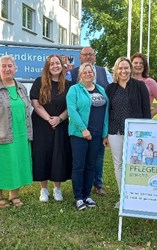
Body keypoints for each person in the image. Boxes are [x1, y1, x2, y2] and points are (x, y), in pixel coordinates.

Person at [0, 55, 33, 208]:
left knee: (16, 163)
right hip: (0, 134)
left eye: (10, 66)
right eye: (4, 66)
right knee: (0, 164)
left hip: (21, 133)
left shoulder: (21, 87)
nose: (7, 69)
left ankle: (14, 194)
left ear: (15, 68)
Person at [66, 46, 112, 196]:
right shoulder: (72, 81)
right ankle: (79, 196)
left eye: (91, 54)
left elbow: (107, 107)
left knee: (94, 162)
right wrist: (83, 128)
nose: (88, 57)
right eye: (84, 55)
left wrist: (105, 133)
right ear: (80, 58)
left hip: (98, 131)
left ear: (95, 57)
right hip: (80, 131)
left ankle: (95, 187)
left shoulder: (103, 79)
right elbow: (71, 108)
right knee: (79, 164)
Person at [105, 57, 151, 207]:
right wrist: (105, 134)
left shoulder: (140, 86)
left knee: (134, 164)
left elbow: (146, 111)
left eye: (126, 68)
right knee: (118, 164)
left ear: (130, 69)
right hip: (115, 131)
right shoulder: (110, 88)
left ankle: (137, 195)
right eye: (120, 68)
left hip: (135, 134)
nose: (123, 71)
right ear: (116, 70)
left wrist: (147, 132)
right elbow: (107, 112)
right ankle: (123, 196)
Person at [30, 55, 72, 202]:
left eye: (58, 63)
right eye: (52, 63)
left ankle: (57, 189)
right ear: (47, 67)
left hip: (61, 125)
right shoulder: (39, 82)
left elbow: (70, 107)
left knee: (58, 155)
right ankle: (43, 189)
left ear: (62, 66)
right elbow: (35, 103)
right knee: (42, 155)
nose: (55, 66)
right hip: (42, 124)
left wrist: (59, 118)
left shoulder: (69, 85)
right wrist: (49, 118)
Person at [131, 52, 157, 117]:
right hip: (127, 121)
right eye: (135, 63)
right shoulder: (126, 82)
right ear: (131, 65)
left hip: (143, 121)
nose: (138, 65)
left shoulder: (149, 82)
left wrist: (150, 115)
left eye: (141, 63)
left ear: (144, 66)